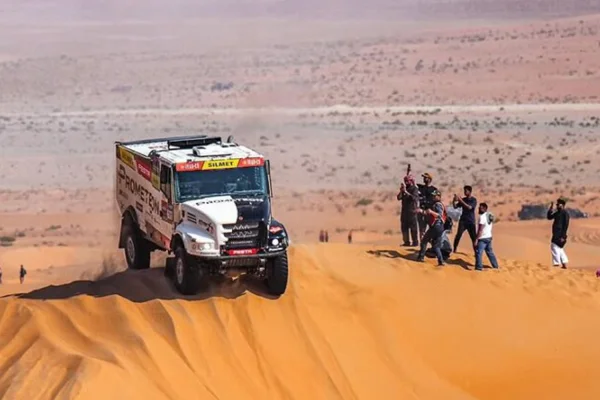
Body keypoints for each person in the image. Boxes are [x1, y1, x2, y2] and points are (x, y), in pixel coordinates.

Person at [416, 189, 446, 266]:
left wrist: (431, 212)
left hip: (436, 226)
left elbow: (439, 215)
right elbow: (427, 212)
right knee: (436, 246)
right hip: (440, 227)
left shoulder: (438, 205)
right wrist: (421, 211)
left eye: (434, 195)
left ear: (438, 196)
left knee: (424, 241)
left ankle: (421, 257)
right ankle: (441, 261)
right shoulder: (436, 204)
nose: (433, 197)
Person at [452, 185, 478, 253]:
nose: (465, 192)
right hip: (463, 221)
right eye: (464, 191)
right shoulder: (463, 199)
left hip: (471, 221)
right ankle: (454, 249)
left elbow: (469, 208)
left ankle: (476, 252)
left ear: (470, 191)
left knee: (473, 238)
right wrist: (454, 200)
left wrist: (461, 200)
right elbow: (455, 207)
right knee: (458, 235)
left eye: (466, 191)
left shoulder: (473, 200)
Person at [474, 203, 499, 271]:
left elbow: (480, 230)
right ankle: (495, 266)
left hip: (483, 238)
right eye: (479, 207)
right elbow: (493, 221)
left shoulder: (482, 217)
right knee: (490, 252)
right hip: (489, 237)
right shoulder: (490, 214)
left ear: (485, 209)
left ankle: (479, 267)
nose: (479, 209)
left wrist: (476, 239)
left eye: (481, 208)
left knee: (479, 253)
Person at [397, 175, 420, 246]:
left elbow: (414, 198)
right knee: (404, 227)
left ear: (411, 181)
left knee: (413, 228)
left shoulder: (414, 189)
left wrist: (406, 192)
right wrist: (401, 191)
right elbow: (399, 197)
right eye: (405, 181)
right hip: (404, 211)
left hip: (412, 211)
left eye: (408, 180)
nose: (406, 182)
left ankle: (415, 242)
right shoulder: (404, 189)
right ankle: (406, 242)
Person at [547, 198, 570, 269]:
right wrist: (550, 208)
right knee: (559, 248)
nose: (557, 205)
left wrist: (563, 236)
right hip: (556, 233)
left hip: (560, 234)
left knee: (554, 246)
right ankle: (564, 264)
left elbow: (566, 225)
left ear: (562, 205)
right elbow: (549, 217)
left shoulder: (565, 213)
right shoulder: (557, 212)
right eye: (556, 204)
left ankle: (556, 264)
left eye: (558, 204)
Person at [417, 172, 438, 240]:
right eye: (424, 177)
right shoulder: (420, 187)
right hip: (422, 211)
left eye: (426, 177)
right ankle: (423, 247)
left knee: (432, 228)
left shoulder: (434, 189)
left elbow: (437, 198)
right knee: (422, 229)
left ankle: (433, 245)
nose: (424, 179)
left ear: (429, 179)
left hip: (430, 212)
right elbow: (411, 183)